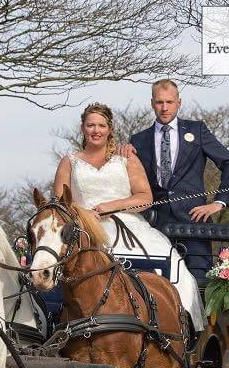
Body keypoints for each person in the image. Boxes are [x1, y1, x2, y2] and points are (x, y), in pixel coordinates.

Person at [53, 103, 205, 332]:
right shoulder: (69, 161)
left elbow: (145, 197)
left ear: (110, 129)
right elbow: (59, 204)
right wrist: (84, 216)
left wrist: (110, 207)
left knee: (171, 263)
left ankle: (174, 322)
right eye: (90, 125)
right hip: (84, 227)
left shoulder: (126, 159)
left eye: (101, 125)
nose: (96, 130)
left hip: (128, 225)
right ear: (82, 128)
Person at [124, 79, 229, 280]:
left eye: (169, 102)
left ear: (179, 102)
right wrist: (122, 152)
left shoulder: (197, 131)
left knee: (199, 286)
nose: (164, 108)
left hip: (194, 224)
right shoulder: (138, 140)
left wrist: (219, 203)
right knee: (155, 287)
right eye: (160, 102)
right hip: (154, 226)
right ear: (152, 103)